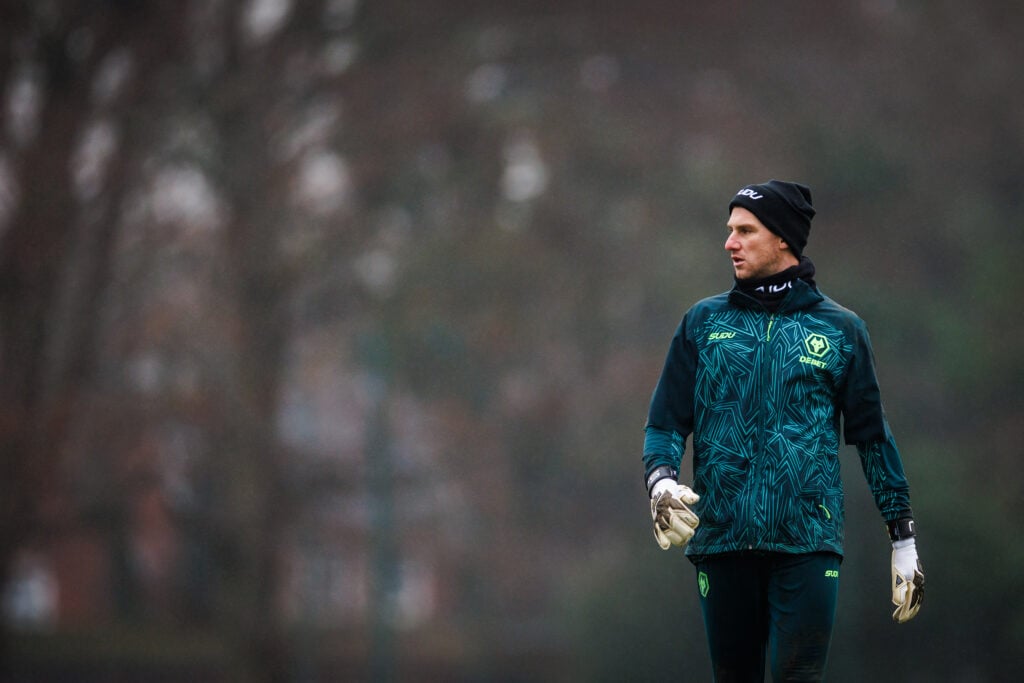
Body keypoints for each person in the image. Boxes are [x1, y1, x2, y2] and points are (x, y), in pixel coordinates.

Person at [643, 180, 924, 682]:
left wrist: (903, 541)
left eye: (745, 230)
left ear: (783, 240)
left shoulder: (841, 330)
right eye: (730, 230)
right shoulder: (702, 324)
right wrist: (661, 481)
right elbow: (664, 421)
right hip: (723, 540)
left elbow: (873, 439)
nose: (730, 242)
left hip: (808, 545)